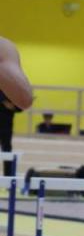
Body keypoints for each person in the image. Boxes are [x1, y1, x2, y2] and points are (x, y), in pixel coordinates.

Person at [0, 36, 34, 178]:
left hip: (5, 122)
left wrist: (11, 106)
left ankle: (9, 178)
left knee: (7, 149)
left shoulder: (4, 50)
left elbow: (23, 102)